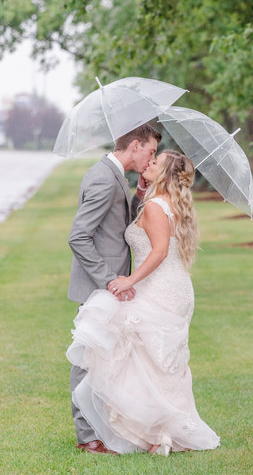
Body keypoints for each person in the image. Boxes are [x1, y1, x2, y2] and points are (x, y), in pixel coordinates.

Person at [66, 150, 220, 456]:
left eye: (154, 162)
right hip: (174, 288)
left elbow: (159, 250)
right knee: (160, 363)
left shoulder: (154, 206)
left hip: (158, 287)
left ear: (162, 174)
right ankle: (161, 432)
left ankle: (153, 431)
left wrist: (128, 281)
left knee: (130, 352)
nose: (147, 163)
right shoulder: (167, 203)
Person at [68, 123, 162, 455]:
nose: (152, 157)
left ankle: (99, 429)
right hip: (99, 286)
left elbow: (118, 227)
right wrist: (108, 279)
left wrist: (137, 194)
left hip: (111, 284)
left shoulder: (116, 175)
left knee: (104, 357)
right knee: (86, 359)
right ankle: (87, 438)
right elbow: (78, 236)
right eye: (150, 150)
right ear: (135, 145)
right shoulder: (102, 177)